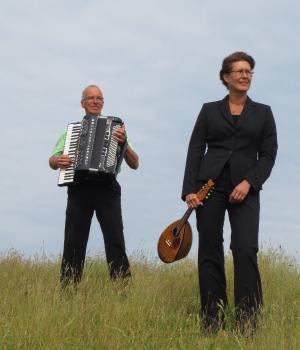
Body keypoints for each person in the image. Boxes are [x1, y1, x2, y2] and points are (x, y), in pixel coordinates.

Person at [182, 52, 277, 332]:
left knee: (245, 249)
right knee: (210, 250)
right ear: (226, 77)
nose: (245, 75)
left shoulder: (264, 113)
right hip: (209, 188)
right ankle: (213, 320)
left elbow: (268, 155)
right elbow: (195, 150)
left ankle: (248, 322)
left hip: (246, 189)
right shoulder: (209, 110)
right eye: (239, 71)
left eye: (249, 71)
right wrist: (190, 190)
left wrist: (249, 182)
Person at [49, 84, 139, 285]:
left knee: (115, 239)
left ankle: (122, 290)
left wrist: (124, 143)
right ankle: (68, 291)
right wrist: (58, 160)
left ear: (103, 102)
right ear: (83, 103)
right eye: (90, 98)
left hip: (107, 188)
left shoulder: (118, 130)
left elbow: (135, 163)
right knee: (74, 241)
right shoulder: (72, 132)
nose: (95, 101)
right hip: (79, 188)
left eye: (99, 98)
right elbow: (52, 160)